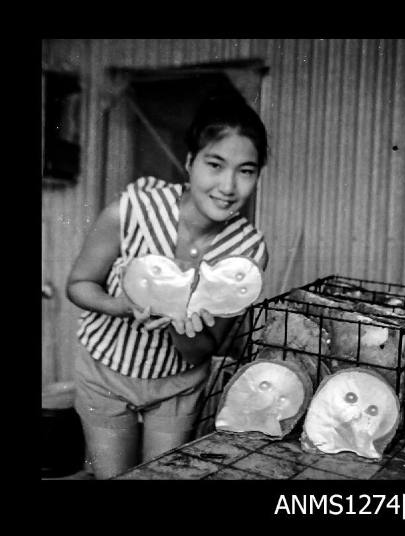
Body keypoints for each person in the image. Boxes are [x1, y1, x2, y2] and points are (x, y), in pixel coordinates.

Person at [66, 95, 269, 479]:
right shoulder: (133, 209)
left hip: (178, 386)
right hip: (106, 372)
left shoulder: (247, 252)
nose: (228, 186)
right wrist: (121, 305)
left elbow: (202, 350)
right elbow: (78, 284)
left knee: (164, 477)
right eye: (214, 165)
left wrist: (181, 325)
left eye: (246, 170)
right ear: (190, 163)